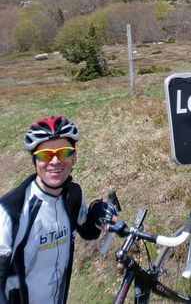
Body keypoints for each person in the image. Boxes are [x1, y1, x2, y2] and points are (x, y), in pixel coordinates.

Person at [0, 115, 118, 304]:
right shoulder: (10, 210)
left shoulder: (73, 195)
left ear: (74, 158)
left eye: (64, 153)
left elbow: (88, 232)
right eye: (45, 155)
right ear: (34, 161)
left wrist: (97, 210)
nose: (55, 161)